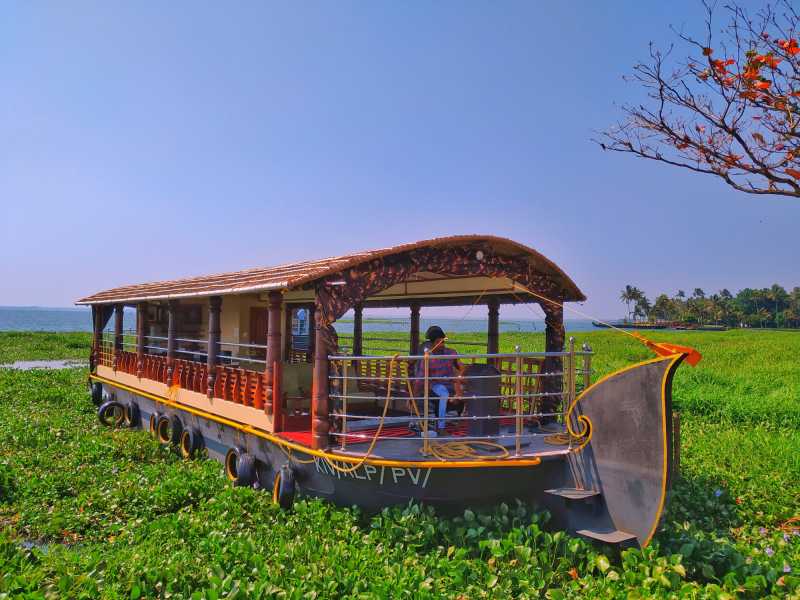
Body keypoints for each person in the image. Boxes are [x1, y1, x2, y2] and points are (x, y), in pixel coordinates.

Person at [414, 326, 462, 432]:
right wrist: (414, 396)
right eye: (438, 341)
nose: (442, 344)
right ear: (432, 343)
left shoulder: (451, 353)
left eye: (443, 341)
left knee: (468, 389)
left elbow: (460, 367)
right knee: (444, 393)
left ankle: (465, 418)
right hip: (436, 385)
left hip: (451, 382)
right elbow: (419, 379)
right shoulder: (427, 358)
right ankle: (441, 426)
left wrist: (459, 381)